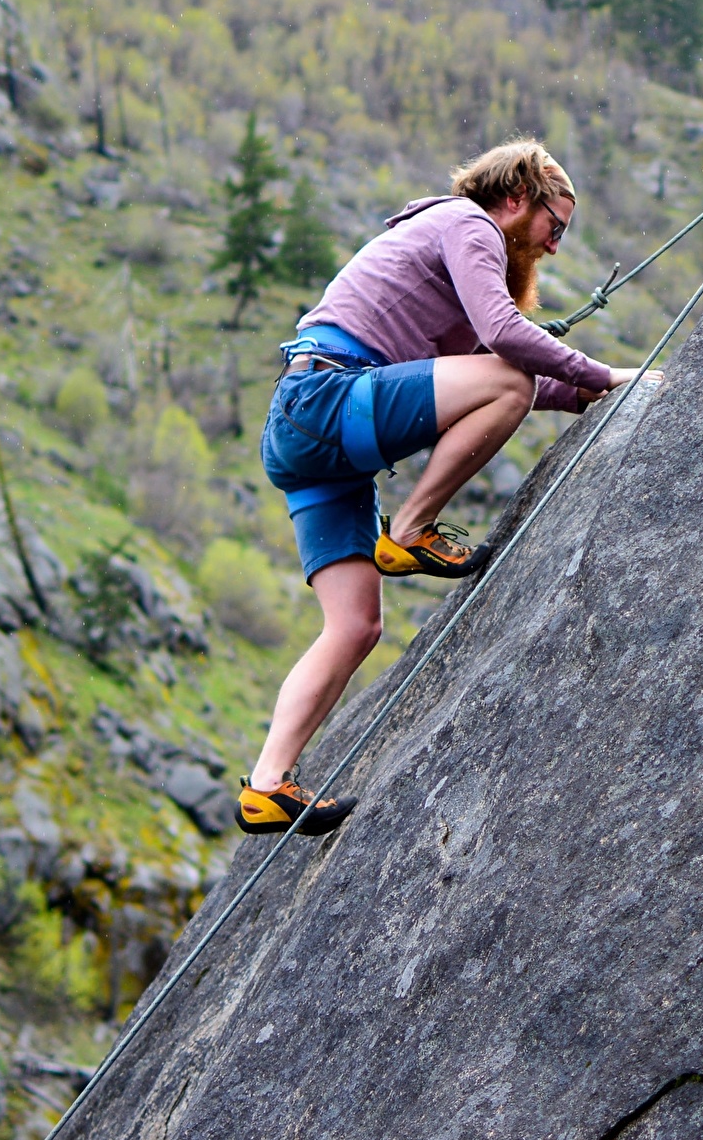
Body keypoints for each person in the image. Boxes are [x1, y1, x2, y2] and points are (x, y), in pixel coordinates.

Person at [235, 138, 655, 837]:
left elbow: (483, 367)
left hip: (308, 437)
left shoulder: (442, 248)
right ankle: (411, 530)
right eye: (556, 226)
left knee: (355, 626)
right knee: (508, 379)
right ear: (517, 200)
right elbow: (503, 348)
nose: (554, 246)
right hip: (329, 403)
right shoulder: (470, 225)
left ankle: (267, 784)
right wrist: (603, 373)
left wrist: (588, 390)